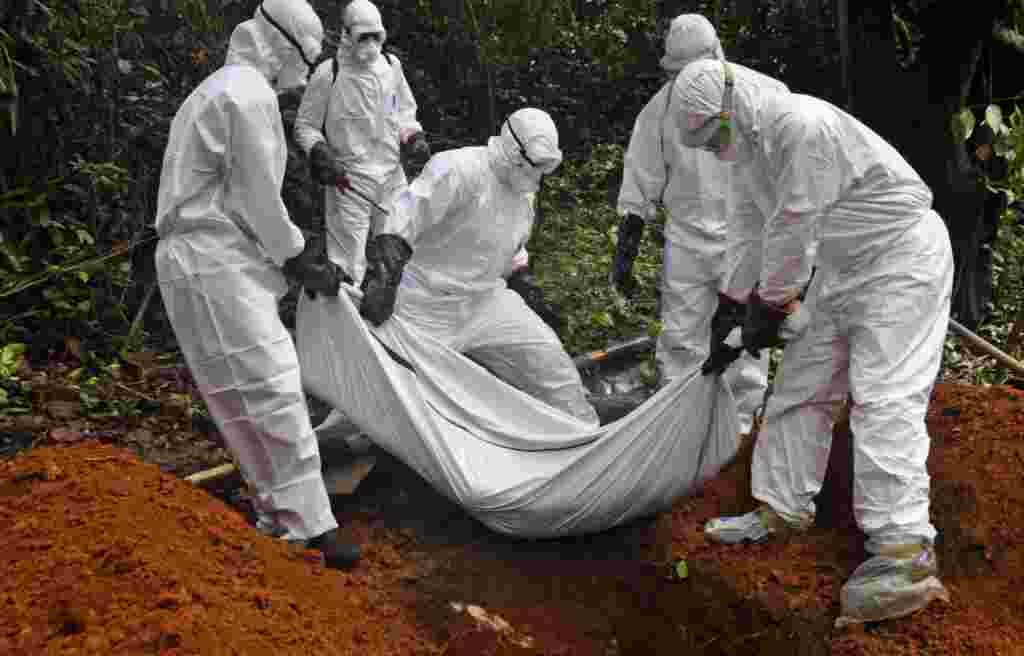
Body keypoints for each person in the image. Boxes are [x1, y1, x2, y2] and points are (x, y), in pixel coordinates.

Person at [674, 57, 953, 621]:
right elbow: (752, 230)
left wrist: (768, 305)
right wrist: (730, 304)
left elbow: (796, 224)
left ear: (737, 103)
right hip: (841, 267)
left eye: (714, 134)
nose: (713, 147)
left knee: (884, 394)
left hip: (901, 256)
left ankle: (904, 552)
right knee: (802, 384)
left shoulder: (801, 125)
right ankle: (781, 507)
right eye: (704, 142)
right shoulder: (753, 155)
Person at [153, 0, 360, 569]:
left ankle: (279, 516)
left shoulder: (216, 89)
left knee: (240, 394)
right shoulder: (248, 94)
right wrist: (301, 259)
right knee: (270, 383)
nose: (300, 78)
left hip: (203, 257)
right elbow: (257, 199)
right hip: (211, 257)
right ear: (280, 45)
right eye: (304, 60)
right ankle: (309, 526)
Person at [358, 107, 600, 427]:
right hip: (425, 306)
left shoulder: (523, 192)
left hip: (485, 301)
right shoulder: (457, 169)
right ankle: (351, 438)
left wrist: (525, 281)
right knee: (393, 397)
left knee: (551, 366)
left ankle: (584, 435)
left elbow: (509, 246)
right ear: (513, 150)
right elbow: (402, 219)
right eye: (535, 165)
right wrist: (385, 281)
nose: (538, 175)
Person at [611, 14, 787, 435]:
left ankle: (740, 430)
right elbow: (641, 178)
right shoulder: (658, 111)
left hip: (746, 241)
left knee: (743, 342)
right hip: (687, 239)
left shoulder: (764, 94)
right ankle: (681, 428)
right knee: (680, 339)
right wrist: (626, 249)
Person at [294, 0, 428, 287]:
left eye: (375, 36)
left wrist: (413, 136)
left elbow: (404, 110)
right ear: (346, 34)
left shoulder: (392, 67)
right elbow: (305, 126)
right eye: (362, 36)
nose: (369, 43)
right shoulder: (329, 73)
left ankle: (390, 327)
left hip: (392, 178)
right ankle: (344, 326)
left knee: (398, 257)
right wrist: (319, 151)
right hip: (348, 183)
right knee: (346, 268)